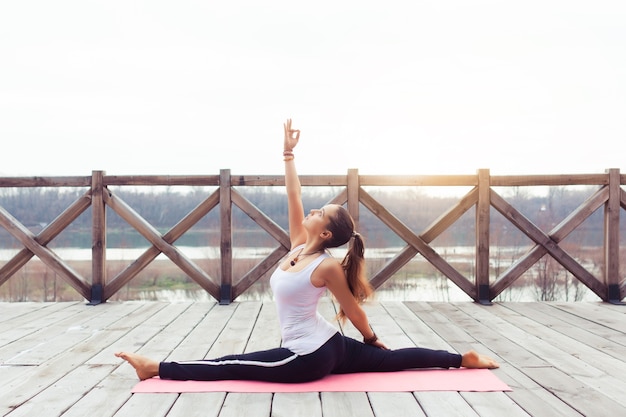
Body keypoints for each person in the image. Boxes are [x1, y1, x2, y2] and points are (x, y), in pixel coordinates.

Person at [115, 119, 499, 382]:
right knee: (393, 361)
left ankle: (156, 368)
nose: (314, 210)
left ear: (327, 230)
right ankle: (462, 359)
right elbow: (294, 194)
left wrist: (368, 338)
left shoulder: (326, 266)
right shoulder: (300, 243)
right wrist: (288, 155)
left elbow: (352, 308)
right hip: (326, 343)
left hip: (308, 355)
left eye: (322, 211)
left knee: (234, 363)